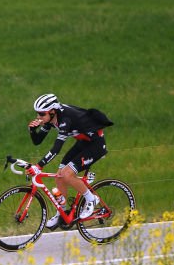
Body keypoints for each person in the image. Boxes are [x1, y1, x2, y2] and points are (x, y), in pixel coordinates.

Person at [28, 93, 112, 228]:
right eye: (38, 113)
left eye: (41, 114)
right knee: (59, 177)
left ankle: (91, 199)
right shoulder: (51, 118)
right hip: (83, 142)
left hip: (95, 144)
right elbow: (37, 141)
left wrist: (39, 165)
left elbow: (56, 149)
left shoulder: (65, 120)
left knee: (67, 174)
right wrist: (32, 130)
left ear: (52, 111)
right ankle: (62, 213)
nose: (39, 117)